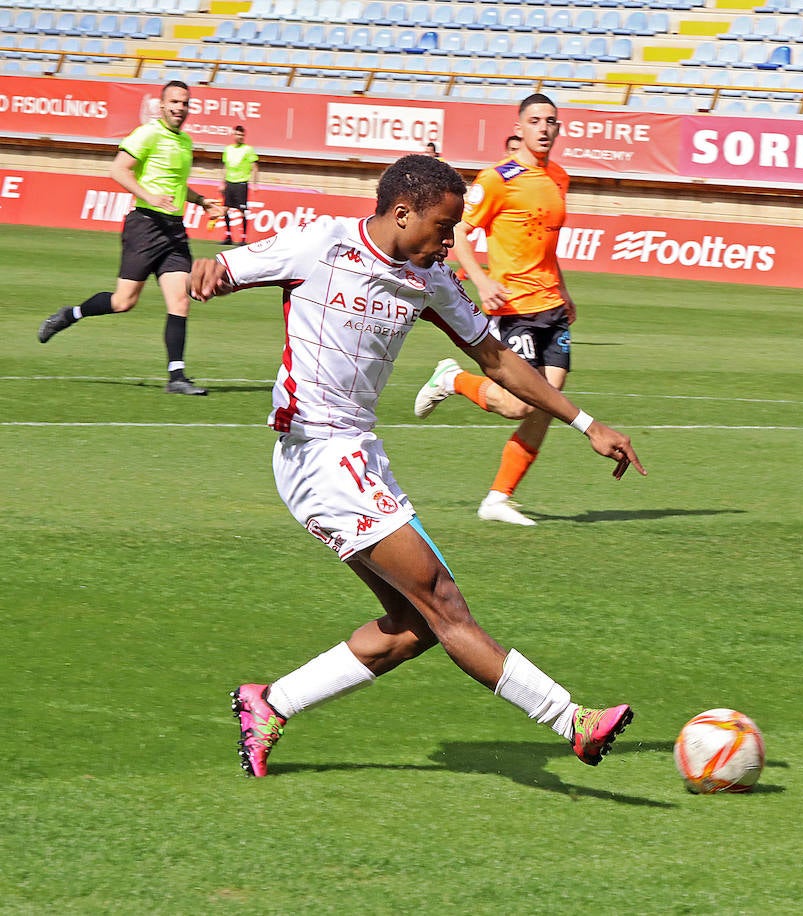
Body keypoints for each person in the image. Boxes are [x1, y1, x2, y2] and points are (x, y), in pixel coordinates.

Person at [186, 154, 646, 777]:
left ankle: (270, 704)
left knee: (412, 625)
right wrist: (209, 271)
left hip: (355, 453)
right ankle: (573, 722)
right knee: (443, 602)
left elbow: (499, 361)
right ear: (402, 212)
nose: (450, 240)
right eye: (443, 226)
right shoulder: (320, 244)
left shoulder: (432, 278)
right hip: (319, 454)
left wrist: (586, 424)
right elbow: (224, 268)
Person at [412, 93, 578, 527]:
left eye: (552, 121)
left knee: (549, 404)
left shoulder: (559, 177)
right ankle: (452, 378)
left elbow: (546, 243)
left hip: (552, 307)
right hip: (514, 309)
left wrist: (563, 289)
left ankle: (498, 498)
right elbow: (460, 232)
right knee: (518, 405)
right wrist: (483, 281)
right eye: (536, 120)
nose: (545, 128)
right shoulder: (497, 179)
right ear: (520, 128)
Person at [37, 80, 225, 396]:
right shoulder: (148, 133)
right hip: (145, 226)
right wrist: (151, 195)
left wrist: (202, 202)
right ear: (162, 105)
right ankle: (70, 315)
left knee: (180, 299)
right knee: (124, 301)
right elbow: (119, 170)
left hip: (174, 230)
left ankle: (176, 377)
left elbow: (178, 185)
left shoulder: (186, 142)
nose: (180, 108)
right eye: (175, 102)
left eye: (185, 103)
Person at [220, 124, 257, 246]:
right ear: (233, 135)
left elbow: (255, 167)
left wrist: (254, 183)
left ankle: (243, 238)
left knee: (242, 211)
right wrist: (222, 182)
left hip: (241, 183)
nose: (239, 136)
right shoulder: (228, 149)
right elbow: (225, 166)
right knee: (225, 209)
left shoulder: (248, 149)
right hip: (229, 183)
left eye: (242, 134)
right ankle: (228, 236)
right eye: (237, 134)